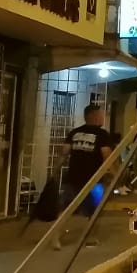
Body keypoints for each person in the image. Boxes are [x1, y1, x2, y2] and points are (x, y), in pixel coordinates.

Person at [54, 104, 113, 250]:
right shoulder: (102, 134)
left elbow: (64, 153)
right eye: (101, 115)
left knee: (66, 210)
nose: (103, 117)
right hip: (94, 180)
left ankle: (55, 238)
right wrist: (113, 173)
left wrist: (55, 171)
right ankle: (90, 238)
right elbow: (107, 155)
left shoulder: (74, 132)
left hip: (73, 177)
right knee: (94, 211)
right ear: (93, 116)